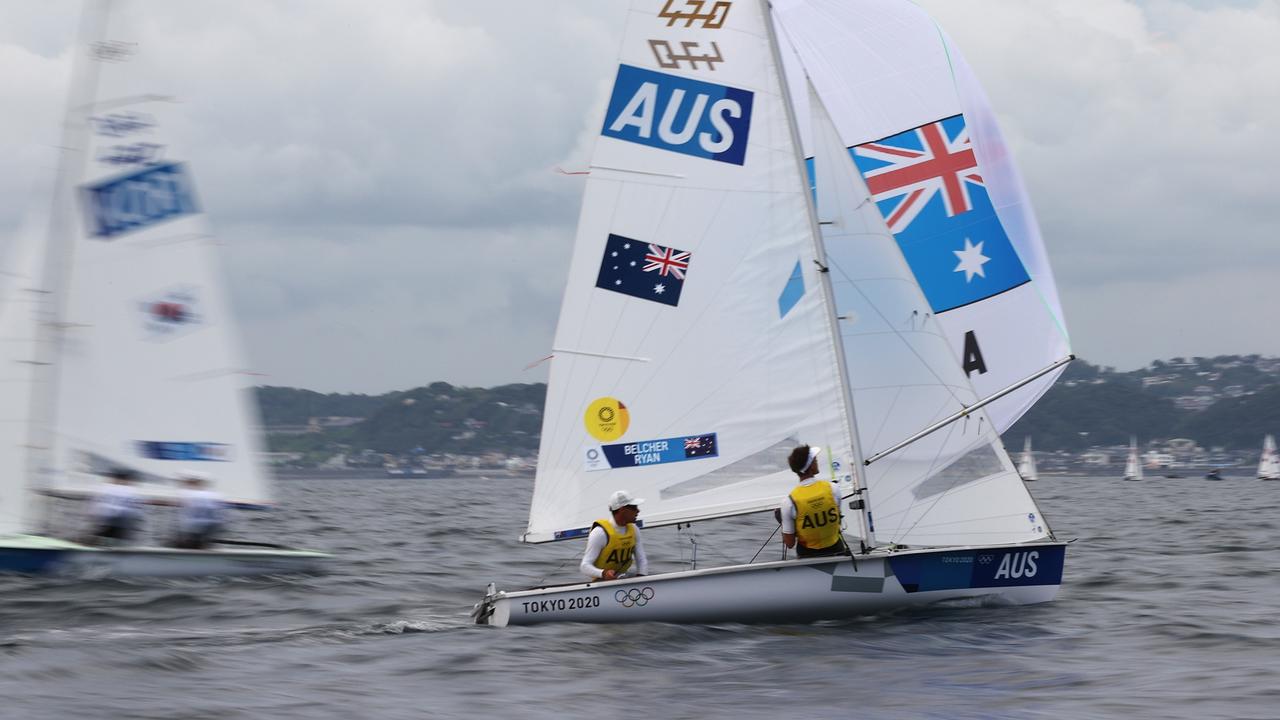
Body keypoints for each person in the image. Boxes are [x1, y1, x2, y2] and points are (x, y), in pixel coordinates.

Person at [780, 445, 848, 557]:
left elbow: (790, 543)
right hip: (836, 552)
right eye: (815, 460)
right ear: (811, 466)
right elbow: (837, 524)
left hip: (808, 559)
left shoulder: (789, 502)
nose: (817, 462)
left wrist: (783, 521)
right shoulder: (833, 489)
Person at [580, 490, 649, 581]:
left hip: (623, 579)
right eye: (634, 507)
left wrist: (642, 579)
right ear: (622, 510)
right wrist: (603, 573)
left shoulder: (634, 529)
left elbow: (641, 560)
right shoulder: (600, 533)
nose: (638, 510)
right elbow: (584, 566)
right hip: (601, 583)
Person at [88, 468, 144, 545]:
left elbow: (95, 504)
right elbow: (137, 510)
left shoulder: (106, 487)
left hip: (108, 519)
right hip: (122, 521)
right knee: (117, 541)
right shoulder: (133, 491)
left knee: (104, 539)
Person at [172, 470, 226, 549]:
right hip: (213, 526)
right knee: (199, 543)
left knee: (180, 542)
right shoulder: (214, 494)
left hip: (196, 526)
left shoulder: (188, 493)